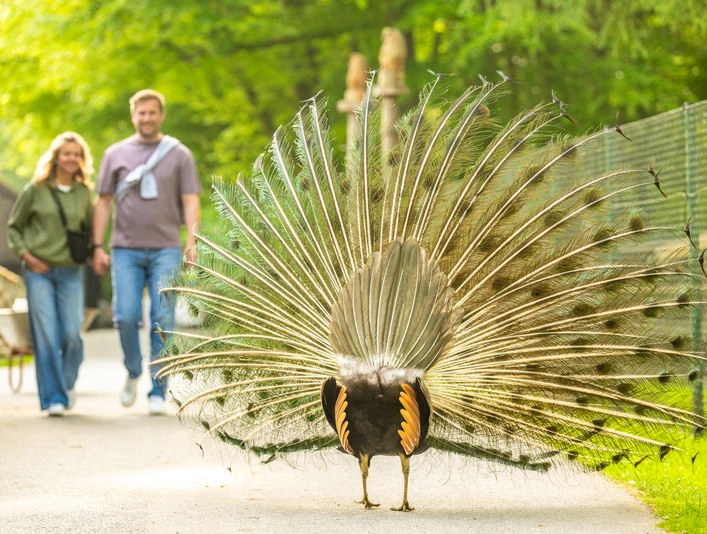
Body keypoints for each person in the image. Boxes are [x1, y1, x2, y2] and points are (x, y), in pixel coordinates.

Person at [92, 89, 201, 416]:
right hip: (124, 249)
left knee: (163, 318)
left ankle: (157, 387)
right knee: (125, 315)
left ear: (160, 115)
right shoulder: (115, 153)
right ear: (133, 115)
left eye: (152, 113)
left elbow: (190, 199)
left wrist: (192, 240)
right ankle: (133, 370)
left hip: (166, 247)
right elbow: (102, 202)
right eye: (141, 113)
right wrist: (97, 245)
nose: (147, 118)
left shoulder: (179, 154)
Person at [7, 132, 95, 417]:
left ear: (81, 159)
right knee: (46, 336)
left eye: (76, 154)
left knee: (72, 334)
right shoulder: (36, 189)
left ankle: (67, 384)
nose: (71, 158)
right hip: (39, 271)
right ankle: (54, 398)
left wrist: (97, 255)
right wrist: (27, 256)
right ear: (56, 157)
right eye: (66, 153)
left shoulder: (84, 193)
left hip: (70, 271)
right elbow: (14, 227)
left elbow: (90, 232)